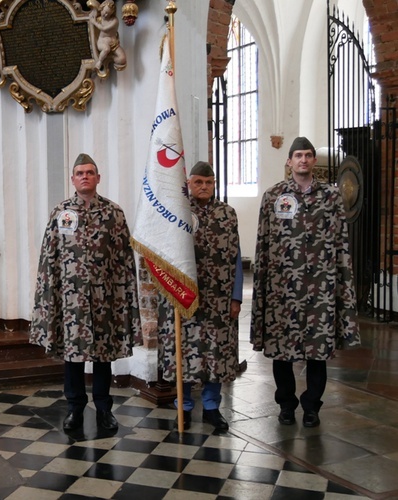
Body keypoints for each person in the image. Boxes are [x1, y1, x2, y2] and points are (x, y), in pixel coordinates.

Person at [251, 136, 360, 428]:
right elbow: (262, 242)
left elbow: (340, 243)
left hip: (320, 288)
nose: (303, 160)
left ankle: (312, 407)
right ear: (289, 161)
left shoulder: (331, 196)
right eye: (297, 155)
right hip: (281, 289)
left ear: (313, 160)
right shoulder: (274, 196)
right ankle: (286, 405)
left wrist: (340, 284)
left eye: (308, 155)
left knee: (318, 350)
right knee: (281, 351)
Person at [29, 153, 141, 431]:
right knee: (73, 356)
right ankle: (74, 409)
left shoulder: (113, 213)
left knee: (103, 356)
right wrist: (48, 298)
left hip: (105, 299)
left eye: (90, 172)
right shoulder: (61, 212)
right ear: (73, 179)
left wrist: (125, 297)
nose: (85, 177)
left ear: (98, 178)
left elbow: (124, 260)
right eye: (80, 173)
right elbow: (49, 257)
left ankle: (104, 409)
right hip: (71, 301)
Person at [156, 161, 242, 431]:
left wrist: (236, 296)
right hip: (184, 299)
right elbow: (163, 256)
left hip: (219, 298)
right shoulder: (176, 213)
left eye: (209, 182)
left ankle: (212, 407)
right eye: (198, 182)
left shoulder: (227, 214)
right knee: (185, 352)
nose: (204, 187)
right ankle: (183, 407)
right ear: (188, 184)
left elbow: (237, 257)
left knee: (216, 354)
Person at [89, 0, 127, 74]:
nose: (105, 15)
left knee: (122, 60)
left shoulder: (114, 21)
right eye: (104, 11)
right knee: (106, 49)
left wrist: (94, 22)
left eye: (108, 13)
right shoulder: (99, 19)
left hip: (114, 44)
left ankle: (110, 57)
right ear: (101, 9)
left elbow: (104, 29)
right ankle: (100, 61)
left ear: (112, 13)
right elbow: (90, 17)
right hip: (102, 42)